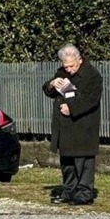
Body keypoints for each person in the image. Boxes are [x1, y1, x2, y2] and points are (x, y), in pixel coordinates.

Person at [43, 44, 103, 205]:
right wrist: (52, 83)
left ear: (80, 59)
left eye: (72, 66)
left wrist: (72, 108)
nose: (69, 69)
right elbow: (49, 90)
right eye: (66, 66)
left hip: (84, 124)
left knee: (83, 161)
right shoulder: (62, 72)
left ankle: (84, 192)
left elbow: (91, 100)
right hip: (65, 126)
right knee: (67, 161)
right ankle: (69, 190)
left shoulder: (92, 75)